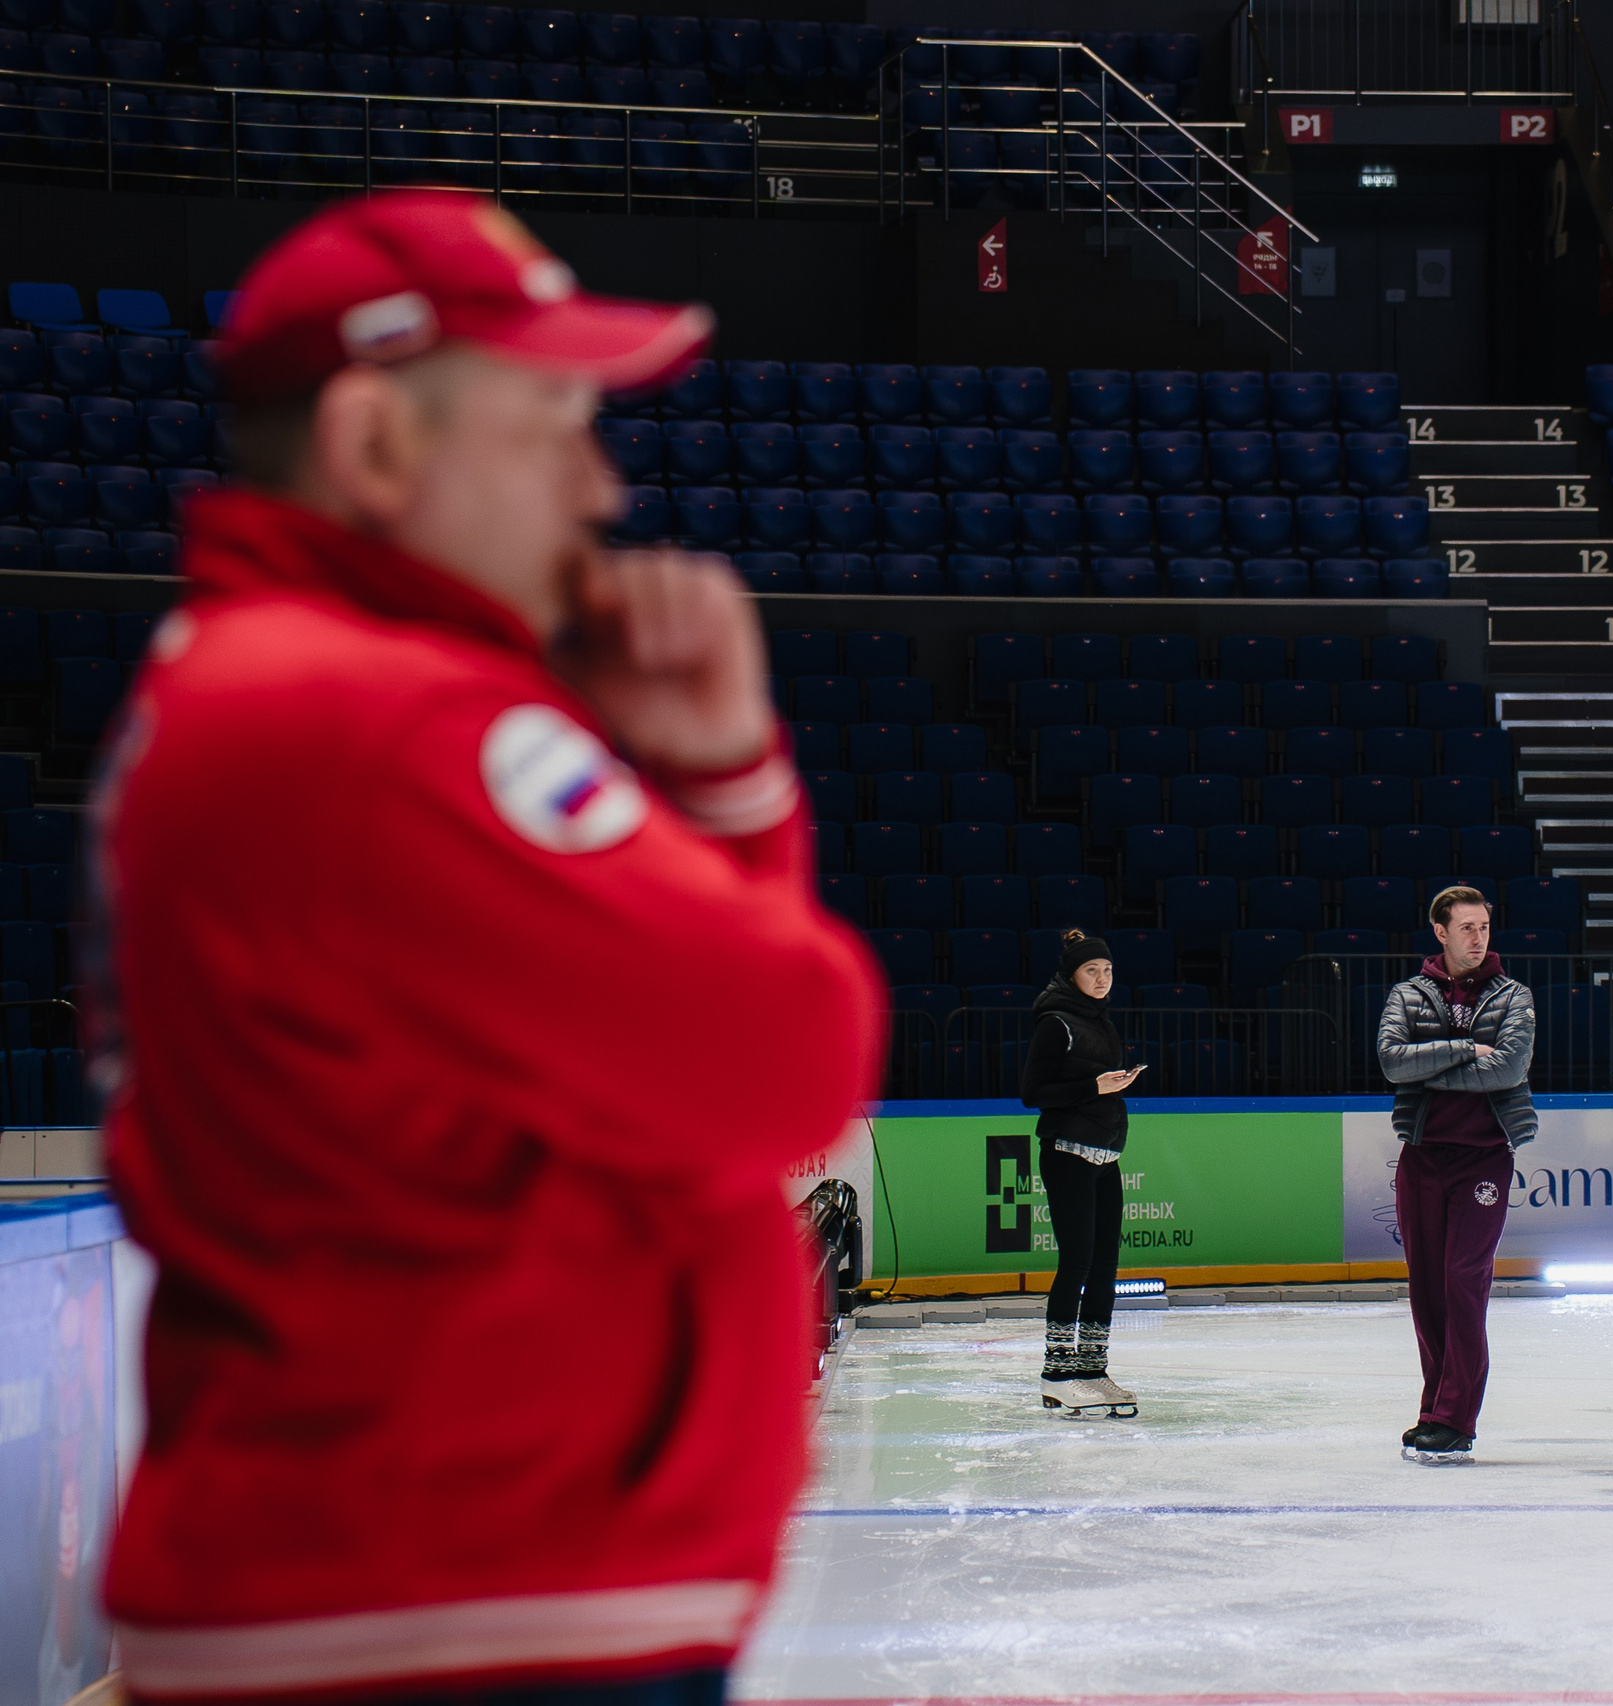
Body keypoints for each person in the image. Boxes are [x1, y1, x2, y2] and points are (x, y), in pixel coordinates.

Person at [93, 191, 887, 1705]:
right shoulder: (375, 724)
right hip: (454, 1617)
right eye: (552, 428)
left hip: (431, 1598)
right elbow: (788, 1057)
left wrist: (716, 781)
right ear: (377, 443)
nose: (600, 489)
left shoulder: (280, 693)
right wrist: (733, 786)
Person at [1376, 885, 1536, 1464]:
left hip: (1484, 1159)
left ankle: (1455, 1418)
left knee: (1464, 1284)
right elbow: (1394, 1062)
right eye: (1466, 928)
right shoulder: (1407, 994)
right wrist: (1469, 1048)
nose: (1478, 938)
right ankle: (1433, 1410)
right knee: (1427, 1290)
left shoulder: (1514, 995)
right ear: (1440, 932)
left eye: (1484, 927)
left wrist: (1433, 1063)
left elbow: (1510, 1069)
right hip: (1422, 1159)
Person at [1020, 929, 1144, 1418]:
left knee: (1105, 1266)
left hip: (1107, 1154)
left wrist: (1111, 1086)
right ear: (1071, 974)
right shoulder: (1056, 1023)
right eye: (1091, 970)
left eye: (1108, 970)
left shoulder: (1103, 1022)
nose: (1101, 978)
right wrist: (1094, 1085)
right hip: (1067, 1151)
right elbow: (1034, 1093)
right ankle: (1057, 1372)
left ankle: (1092, 1368)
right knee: (1076, 1263)